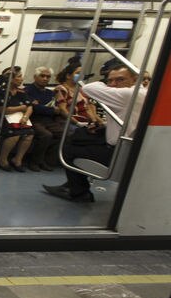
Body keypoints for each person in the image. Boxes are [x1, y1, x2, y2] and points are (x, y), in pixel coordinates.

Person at [43, 63, 145, 202]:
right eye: (110, 80)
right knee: (77, 136)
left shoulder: (128, 94)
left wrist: (103, 84)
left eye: (120, 79)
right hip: (123, 141)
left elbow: (89, 89)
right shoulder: (142, 93)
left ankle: (79, 193)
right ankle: (73, 184)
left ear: (135, 79)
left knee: (68, 150)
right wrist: (102, 125)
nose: (113, 84)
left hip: (118, 150)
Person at [24, 66, 65, 171]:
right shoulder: (28, 90)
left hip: (49, 120)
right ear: (35, 77)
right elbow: (34, 109)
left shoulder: (50, 93)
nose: (45, 79)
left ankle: (46, 160)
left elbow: (57, 109)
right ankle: (34, 162)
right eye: (42, 76)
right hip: (34, 119)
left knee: (64, 134)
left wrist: (43, 107)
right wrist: (49, 109)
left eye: (48, 77)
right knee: (46, 135)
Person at [0, 67, 34, 172]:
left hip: (20, 118)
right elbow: (1, 109)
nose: (21, 79)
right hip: (2, 118)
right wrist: (20, 108)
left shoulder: (21, 92)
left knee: (29, 134)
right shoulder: (1, 91)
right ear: (10, 78)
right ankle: (2, 159)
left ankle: (17, 160)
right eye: (19, 76)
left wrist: (25, 116)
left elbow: (29, 106)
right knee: (14, 134)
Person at [55, 60, 103, 130]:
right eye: (78, 73)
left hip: (86, 121)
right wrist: (77, 123)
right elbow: (63, 110)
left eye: (82, 73)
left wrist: (98, 121)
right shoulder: (61, 89)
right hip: (70, 121)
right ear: (68, 76)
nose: (81, 76)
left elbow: (89, 107)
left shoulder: (82, 89)